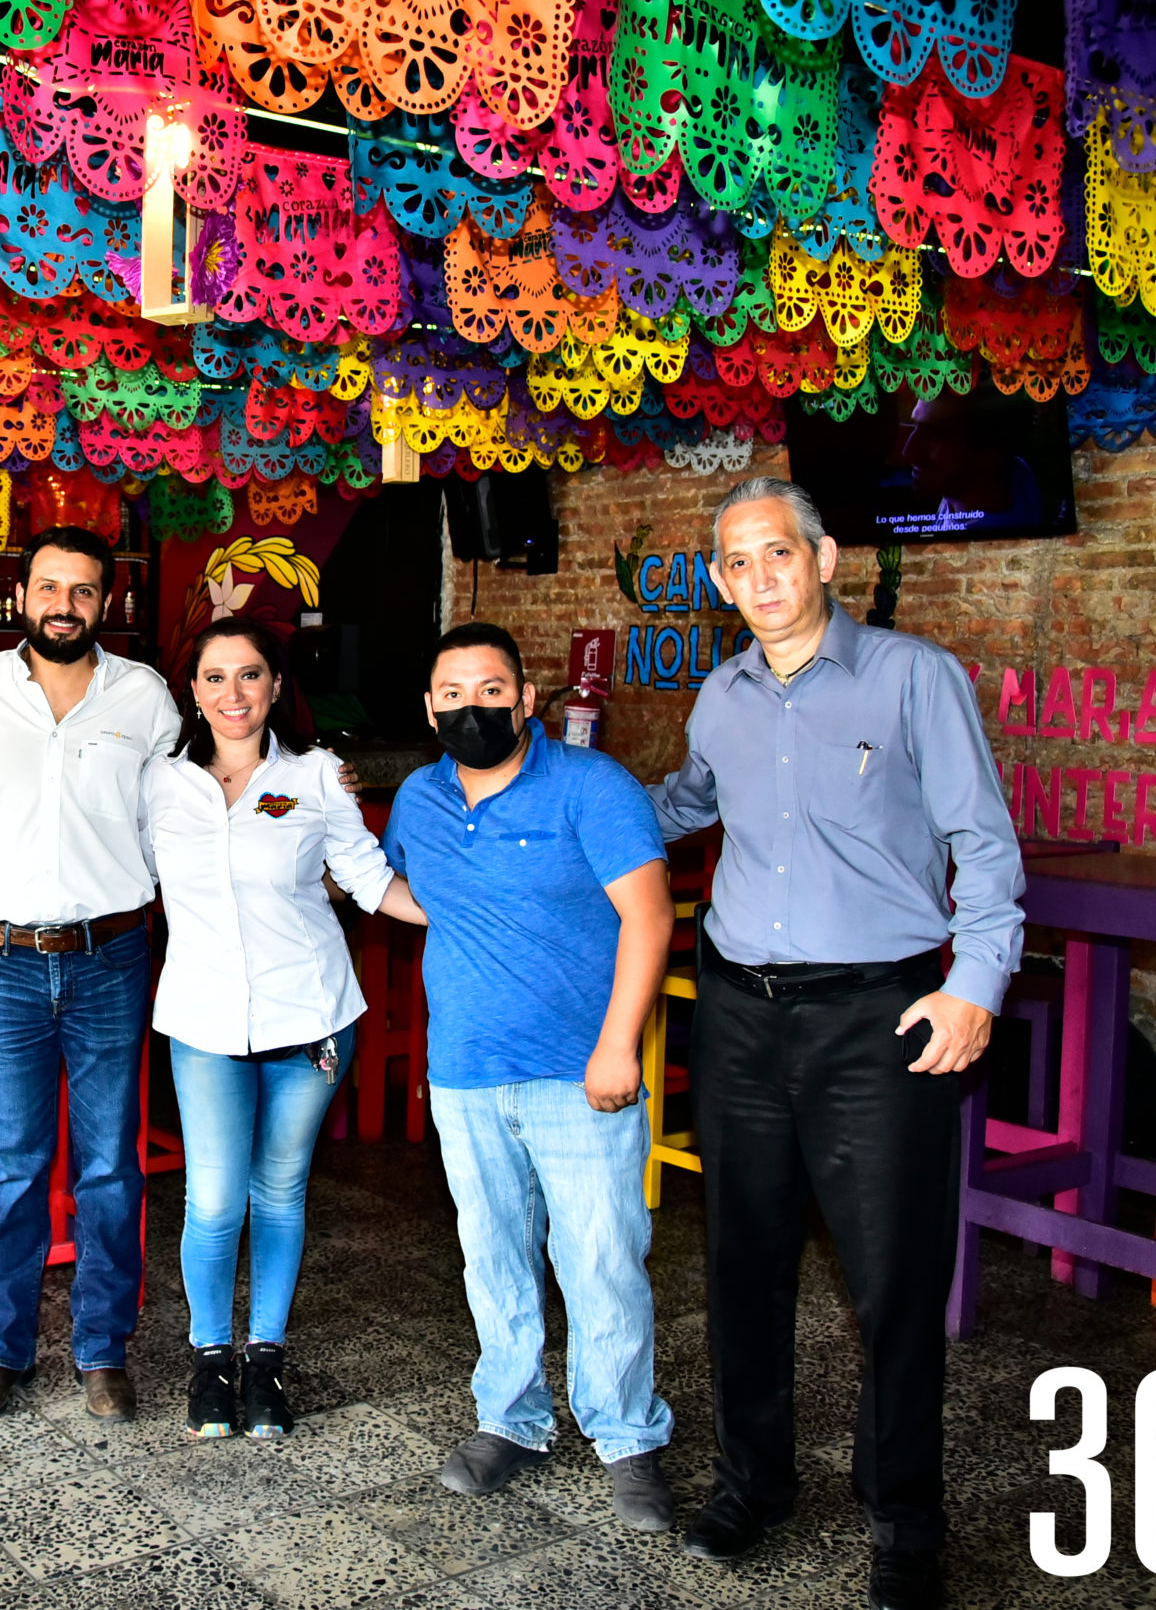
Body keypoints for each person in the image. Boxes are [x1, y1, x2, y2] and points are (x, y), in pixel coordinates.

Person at [648, 477, 1022, 1610]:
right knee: (742, 1258)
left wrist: (974, 985)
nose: (757, 577)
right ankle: (752, 1480)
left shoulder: (915, 677)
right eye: (735, 562)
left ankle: (906, 1513)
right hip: (741, 1014)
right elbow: (679, 806)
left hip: (881, 1014)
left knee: (894, 1278)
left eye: (777, 554)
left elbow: (986, 846)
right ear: (718, 580)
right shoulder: (718, 696)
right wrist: (558, 804)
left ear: (824, 560)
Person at [381, 623, 677, 1529]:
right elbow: (416, 895)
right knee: (493, 1257)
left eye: (492, 689)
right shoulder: (421, 799)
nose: (475, 707)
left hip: (577, 1072)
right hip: (467, 1071)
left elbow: (650, 917)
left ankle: (627, 1436)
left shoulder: (593, 787)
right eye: (455, 693)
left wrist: (619, 1044)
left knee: (600, 1261)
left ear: (527, 697)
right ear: (431, 706)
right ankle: (512, 1419)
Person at [141, 617, 425, 1440]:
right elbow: (118, 866)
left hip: (311, 1015)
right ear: (192, 690)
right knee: (215, 1197)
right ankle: (208, 1357)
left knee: (279, 1191)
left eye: (251, 675)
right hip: (201, 1018)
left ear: (275, 686)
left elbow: (368, 879)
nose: (234, 693)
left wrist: (468, 913)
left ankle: (264, 1356)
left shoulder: (316, 778)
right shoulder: (157, 782)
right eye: (216, 677)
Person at [0, 527, 179, 1423]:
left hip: (112, 956)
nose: (64, 605)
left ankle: (102, 1349)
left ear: (105, 603)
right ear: (21, 597)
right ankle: (1, 1348)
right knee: (15, 1164)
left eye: (82, 591)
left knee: (112, 1165)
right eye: (49, 587)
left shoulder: (144, 696)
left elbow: (171, 822)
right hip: (3, 963)